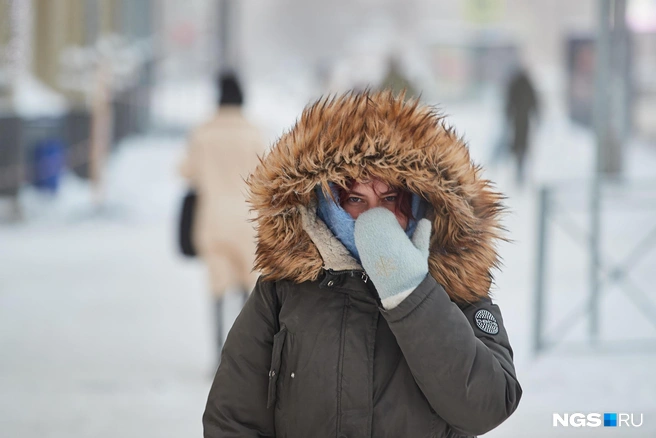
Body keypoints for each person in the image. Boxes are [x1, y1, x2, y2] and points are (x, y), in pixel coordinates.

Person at [203, 91, 522, 437]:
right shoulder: (283, 290)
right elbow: (232, 419)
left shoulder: (454, 284)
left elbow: (486, 407)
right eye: (355, 199)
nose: (373, 216)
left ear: (417, 203)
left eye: (388, 199)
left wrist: (410, 291)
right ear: (326, 204)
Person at [179, 73, 265, 362]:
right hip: (247, 223)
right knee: (247, 290)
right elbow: (267, 176)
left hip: (212, 220)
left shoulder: (202, 133)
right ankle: (243, 355)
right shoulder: (254, 133)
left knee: (216, 288)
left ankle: (218, 354)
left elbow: (185, 172)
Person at [505, 66, 539, 185]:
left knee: (519, 145)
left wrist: (507, 115)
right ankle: (519, 169)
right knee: (521, 145)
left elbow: (509, 102)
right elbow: (535, 102)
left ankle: (519, 170)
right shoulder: (526, 85)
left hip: (519, 119)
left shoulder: (517, 85)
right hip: (523, 119)